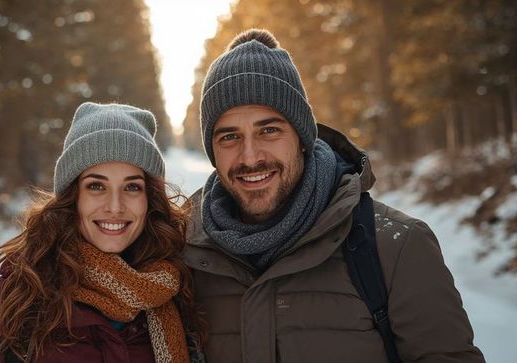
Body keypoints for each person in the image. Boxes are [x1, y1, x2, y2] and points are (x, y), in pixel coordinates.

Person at [183, 29, 485, 363]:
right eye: (229, 137)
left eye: (269, 130)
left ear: (301, 137)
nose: (250, 156)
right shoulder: (186, 255)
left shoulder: (395, 248)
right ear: (212, 150)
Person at [0, 102, 205, 363]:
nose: (115, 206)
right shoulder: (6, 306)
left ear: (149, 199)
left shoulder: (180, 295)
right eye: (96, 186)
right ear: (73, 197)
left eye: (132, 188)